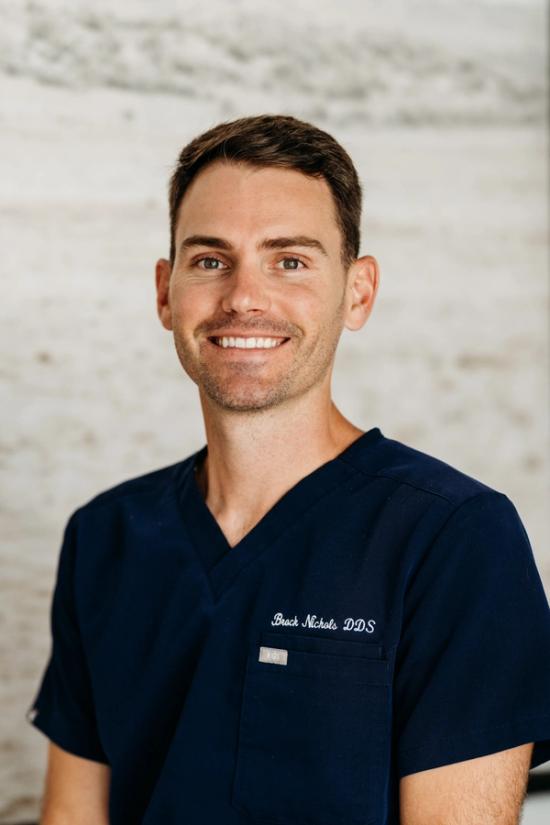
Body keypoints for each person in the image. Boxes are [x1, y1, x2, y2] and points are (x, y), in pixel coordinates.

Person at [27, 114, 550, 825]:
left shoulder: (455, 540)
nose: (244, 296)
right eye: (211, 260)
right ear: (164, 291)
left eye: (290, 260)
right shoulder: (107, 536)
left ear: (358, 292)